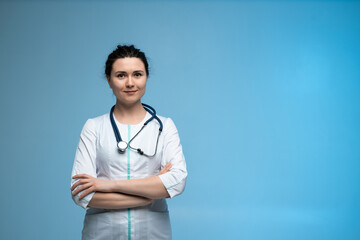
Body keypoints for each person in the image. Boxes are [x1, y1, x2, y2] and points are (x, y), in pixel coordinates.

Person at [70, 45, 187, 240]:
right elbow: (82, 194)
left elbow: (177, 181)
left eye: (138, 74)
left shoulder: (165, 126)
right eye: (121, 75)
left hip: (152, 233)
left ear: (146, 78)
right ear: (109, 80)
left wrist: (108, 185)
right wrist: (150, 195)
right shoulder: (93, 127)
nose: (130, 83)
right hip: (103, 233)